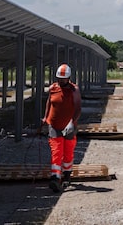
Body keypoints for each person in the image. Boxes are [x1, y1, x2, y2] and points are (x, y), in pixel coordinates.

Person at [42, 63, 82, 192]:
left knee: (68, 151)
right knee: (56, 151)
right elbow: (49, 102)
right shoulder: (53, 88)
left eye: (64, 79)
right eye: (59, 78)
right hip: (54, 125)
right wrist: (45, 117)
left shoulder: (74, 90)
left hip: (69, 127)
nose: (61, 80)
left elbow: (78, 108)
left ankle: (66, 176)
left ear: (69, 78)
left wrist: (72, 122)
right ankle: (55, 178)